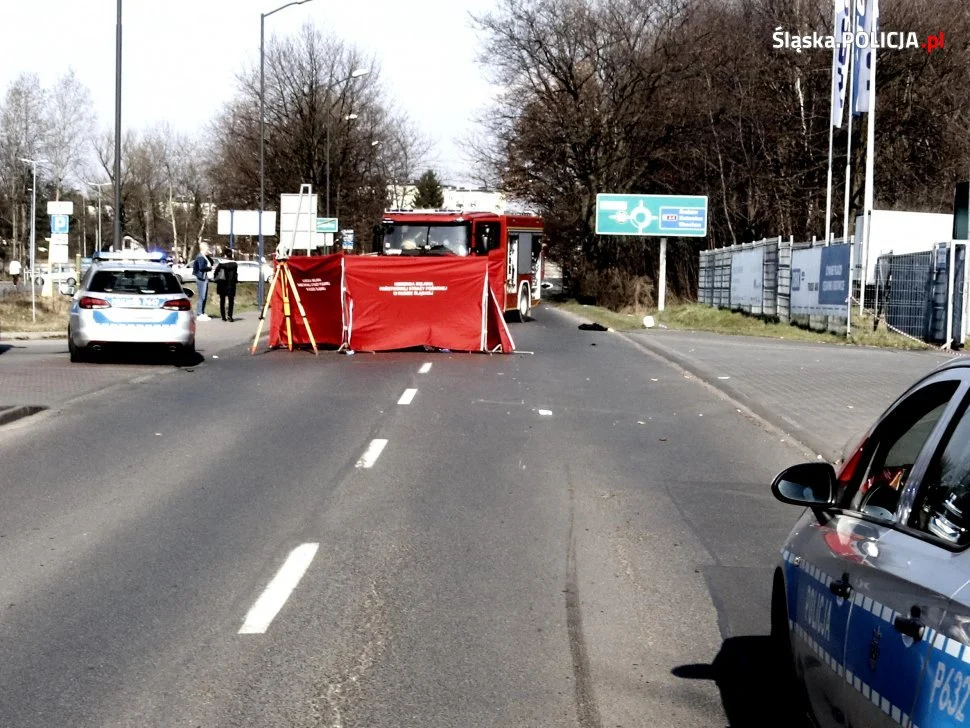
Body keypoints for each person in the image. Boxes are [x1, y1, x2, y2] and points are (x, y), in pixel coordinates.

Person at [212, 249, 238, 322]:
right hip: (231, 284)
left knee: (222, 300)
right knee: (231, 301)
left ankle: (223, 316)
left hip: (222, 284)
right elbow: (235, 275)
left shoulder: (221, 264)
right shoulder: (235, 264)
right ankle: (230, 315)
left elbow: (216, 273)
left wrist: (216, 279)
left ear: (225, 255)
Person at [192, 243, 213, 319]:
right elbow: (201, 267)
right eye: (207, 248)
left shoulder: (204, 256)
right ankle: (199, 313)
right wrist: (210, 268)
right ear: (203, 248)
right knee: (202, 296)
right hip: (201, 278)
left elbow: (212, 262)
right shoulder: (200, 257)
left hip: (204, 277)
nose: (208, 250)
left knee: (204, 296)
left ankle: (202, 312)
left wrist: (208, 255)